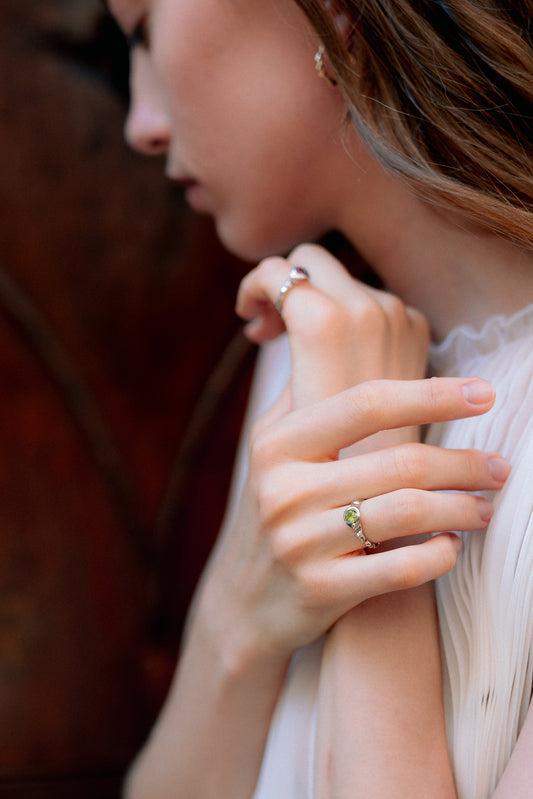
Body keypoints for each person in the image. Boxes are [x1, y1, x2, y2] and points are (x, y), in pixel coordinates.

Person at [105, 0, 533, 797]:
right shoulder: (315, 348)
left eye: (141, 30)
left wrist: (371, 525)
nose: (141, 123)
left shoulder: (332, 372)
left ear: (333, 13)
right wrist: (236, 617)